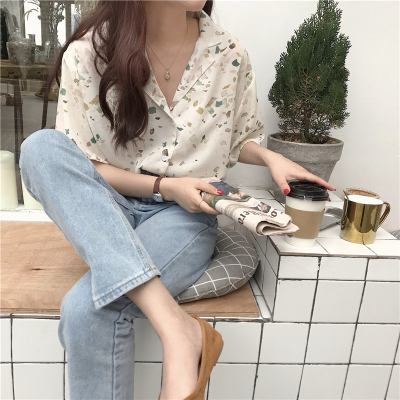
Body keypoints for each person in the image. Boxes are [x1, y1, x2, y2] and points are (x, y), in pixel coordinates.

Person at [19, 1, 336, 399]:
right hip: (104, 209)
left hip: (182, 215)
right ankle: (178, 329)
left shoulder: (228, 53)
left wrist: (271, 158)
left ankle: (179, 331)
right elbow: (85, 164)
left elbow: (236, 137)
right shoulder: (90, 53)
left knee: (86, 310)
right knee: (40, 148)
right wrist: (164, 186)